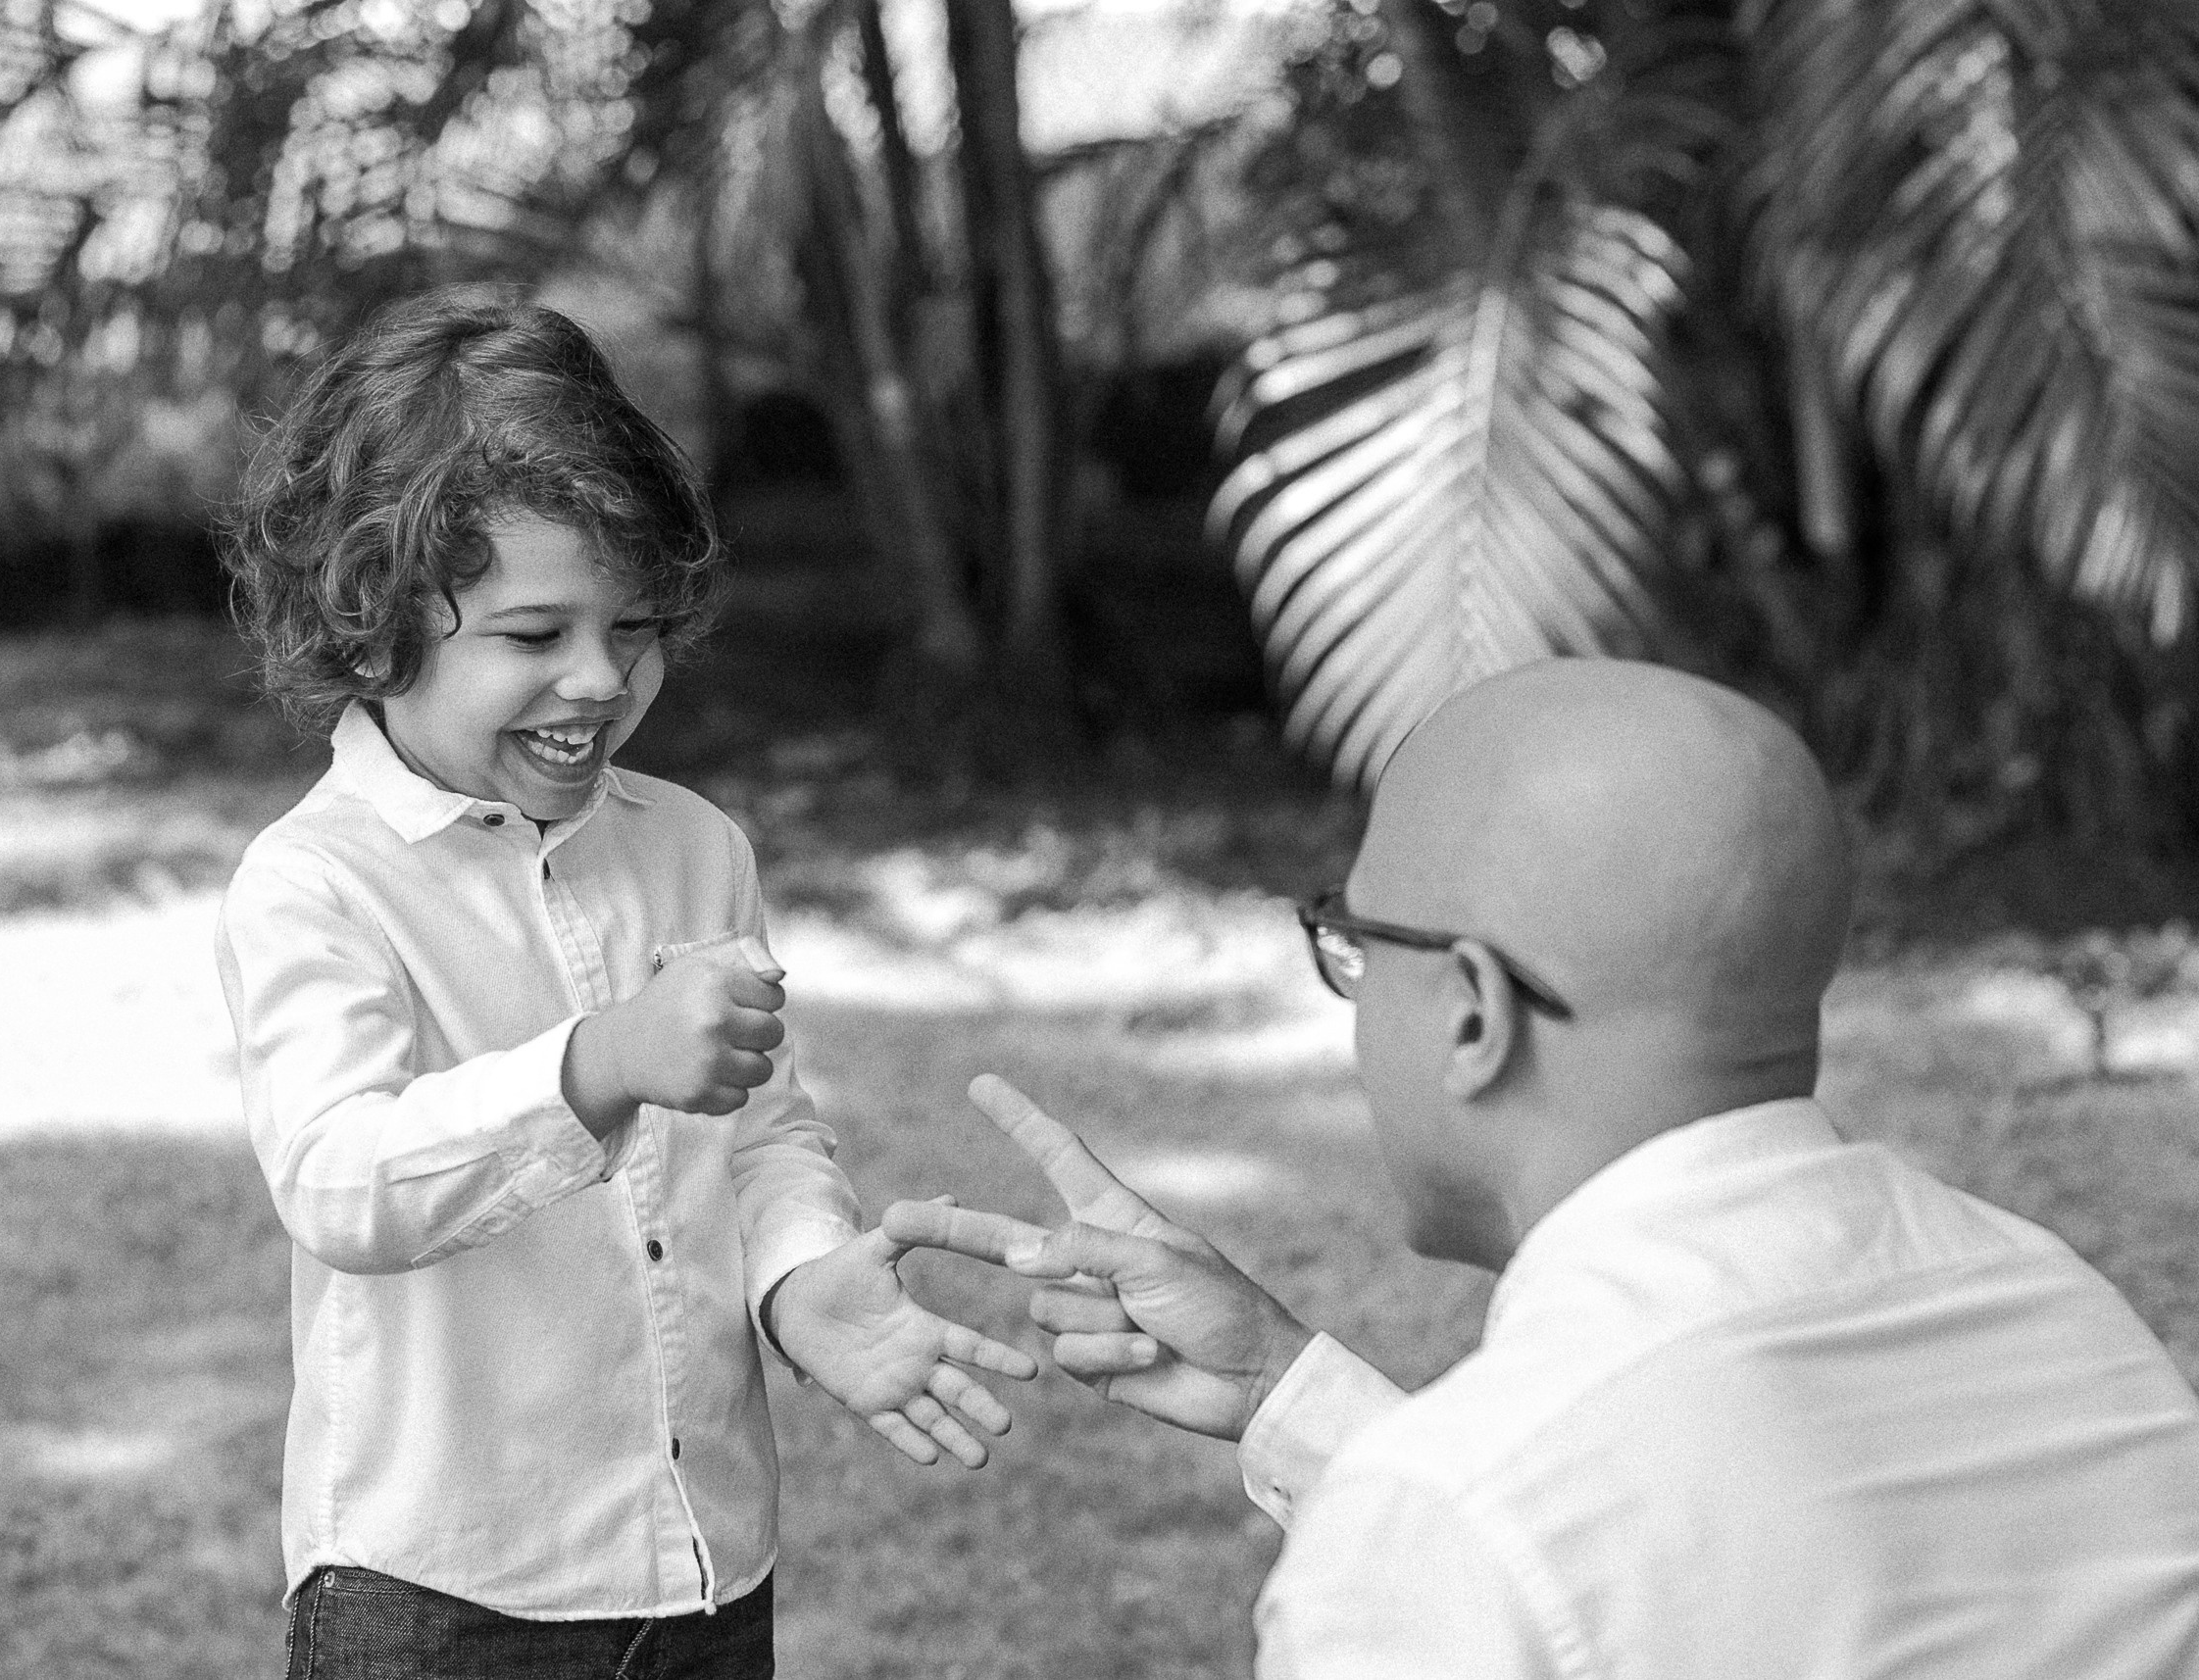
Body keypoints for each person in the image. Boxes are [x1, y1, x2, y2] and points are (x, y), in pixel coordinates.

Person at [888, 659, 2199, 1678]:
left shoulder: (1452, 1526)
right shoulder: (2068, 1316)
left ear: (1471, 1011)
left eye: (1352, 941)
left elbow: (1536, 1537)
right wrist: (1284, 1385)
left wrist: (1410, 1493)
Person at [216, 288, 1033, 1680]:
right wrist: (591, 1063)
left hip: (703, 1559)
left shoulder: (691, 845)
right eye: (534, 637)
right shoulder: (318, 882)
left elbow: (763, 1130)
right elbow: (341, 1180)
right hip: (441, 1592)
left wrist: (795, 1279)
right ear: (371, 627)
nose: (598, 678)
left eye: (636, 626)